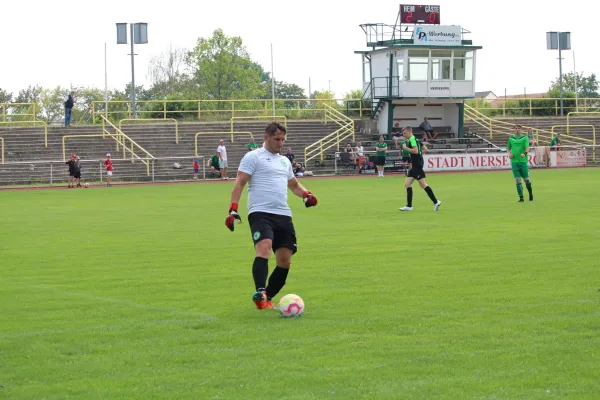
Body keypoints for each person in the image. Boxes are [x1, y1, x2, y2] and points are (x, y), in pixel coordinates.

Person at [225, 122, 318, 310]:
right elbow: (240, 182)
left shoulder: (284, 161)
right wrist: (233, 209)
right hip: (260, 212)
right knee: (264, 249)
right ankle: (259, 290)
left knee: (285, 260)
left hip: (283, 214)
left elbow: (293, 185)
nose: (280, 143)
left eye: (283, 139)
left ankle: (266, 297)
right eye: (277, 139)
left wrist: (307, 194)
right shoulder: (253, 157)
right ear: (266, 137)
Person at [399, 127, 442, 211]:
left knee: (423, 184)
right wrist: (419, 153)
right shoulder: (415, 139)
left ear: (409, 132)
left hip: (417, 165)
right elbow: (426, 149)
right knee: (407, 184)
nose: (403, 135)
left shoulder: (412, 139)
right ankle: (409, 206)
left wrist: (405, 148)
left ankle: (436, 201)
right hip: (416, 164)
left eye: (404, 133)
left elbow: (415, 151)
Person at [507, 125, 533, 202]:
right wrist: (509, 154)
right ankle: (521, 197)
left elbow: (527, 147)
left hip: (523, 162)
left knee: (527, 180)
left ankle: (530, 194)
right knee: (517, 180)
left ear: (521, 130)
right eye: (516, 128)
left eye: (518, 128)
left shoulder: (524, 138)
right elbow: (508, 147)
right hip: (514, 162)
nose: (517, 130)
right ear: (514, 130)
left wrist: (524, 153)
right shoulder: (511, 138)